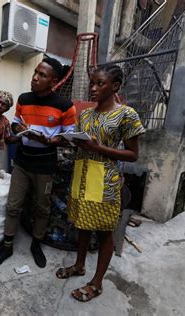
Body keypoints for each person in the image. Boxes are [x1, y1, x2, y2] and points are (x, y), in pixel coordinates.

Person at [55, 64, 145, 302]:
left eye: (100, 83)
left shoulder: (127, 115)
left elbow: (133, 155)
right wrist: (69, 140)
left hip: (105, 182)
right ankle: (79, 265)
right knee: (82, 225)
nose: (93, 88)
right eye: (91, 83)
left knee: (104, 232)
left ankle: (97, 283)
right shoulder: (85, 114)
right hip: (82, 175)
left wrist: (99, 148)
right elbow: (81, 141)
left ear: (115, 86)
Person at [0, 57, 76, 268]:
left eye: (42, 75)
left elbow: (70, 136)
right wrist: (18, 130)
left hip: (45, 164)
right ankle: (7, 244)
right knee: (13, 205)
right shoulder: (24, 99)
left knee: (42, 207)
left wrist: (52, 140)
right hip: (22, 161)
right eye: (35, 72)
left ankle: (36, 243)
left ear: (53, 81)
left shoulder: (65, 106)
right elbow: (17, 125)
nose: (35, 78)